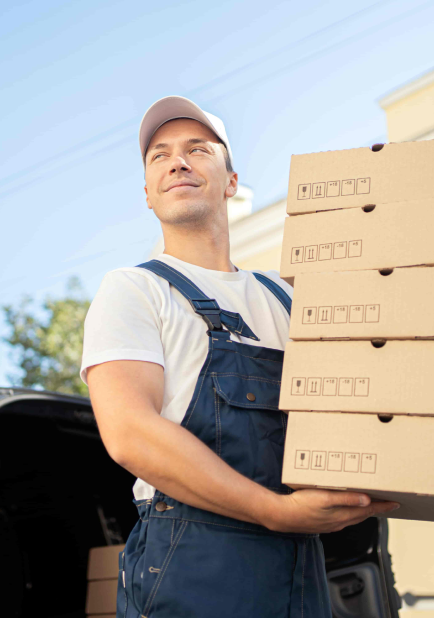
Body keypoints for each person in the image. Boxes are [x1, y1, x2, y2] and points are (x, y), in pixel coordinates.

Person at [81, 95, 399, 618]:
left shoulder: (289, 297)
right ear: (147, 193)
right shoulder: (134, 289)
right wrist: (276, 511)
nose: (177, 161)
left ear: (231, 181)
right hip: (195, 559)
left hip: (302, 558)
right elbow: (129, 433)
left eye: (197, 149)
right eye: (159, 156)